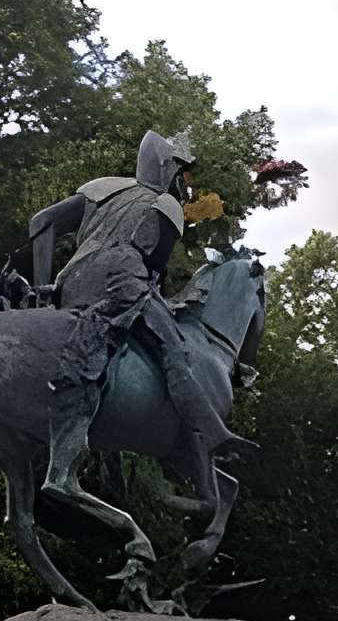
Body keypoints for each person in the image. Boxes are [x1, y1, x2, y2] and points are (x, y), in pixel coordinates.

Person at [27, 127, 226, 496]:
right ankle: (207, 432)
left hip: (70, 284)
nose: (180, 181)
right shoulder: (165, 205)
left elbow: (41, 222)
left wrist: (45, 288)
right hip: (122, 281)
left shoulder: (102, 188)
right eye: (178, 170)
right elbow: (154, 269)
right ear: (167, 169)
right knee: (176, 349)